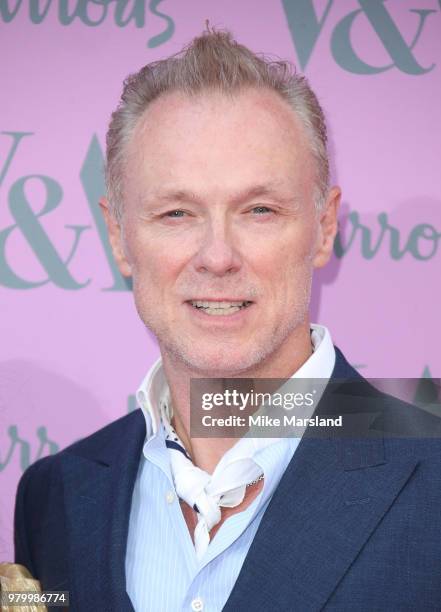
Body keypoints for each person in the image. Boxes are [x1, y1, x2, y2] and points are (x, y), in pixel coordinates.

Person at [14, 29, 441, 611]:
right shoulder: (55, 497)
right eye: (176, 212)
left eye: (259, 210)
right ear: (118, 236)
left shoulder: (431, 472)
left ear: (324, 226)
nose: (217, 256)